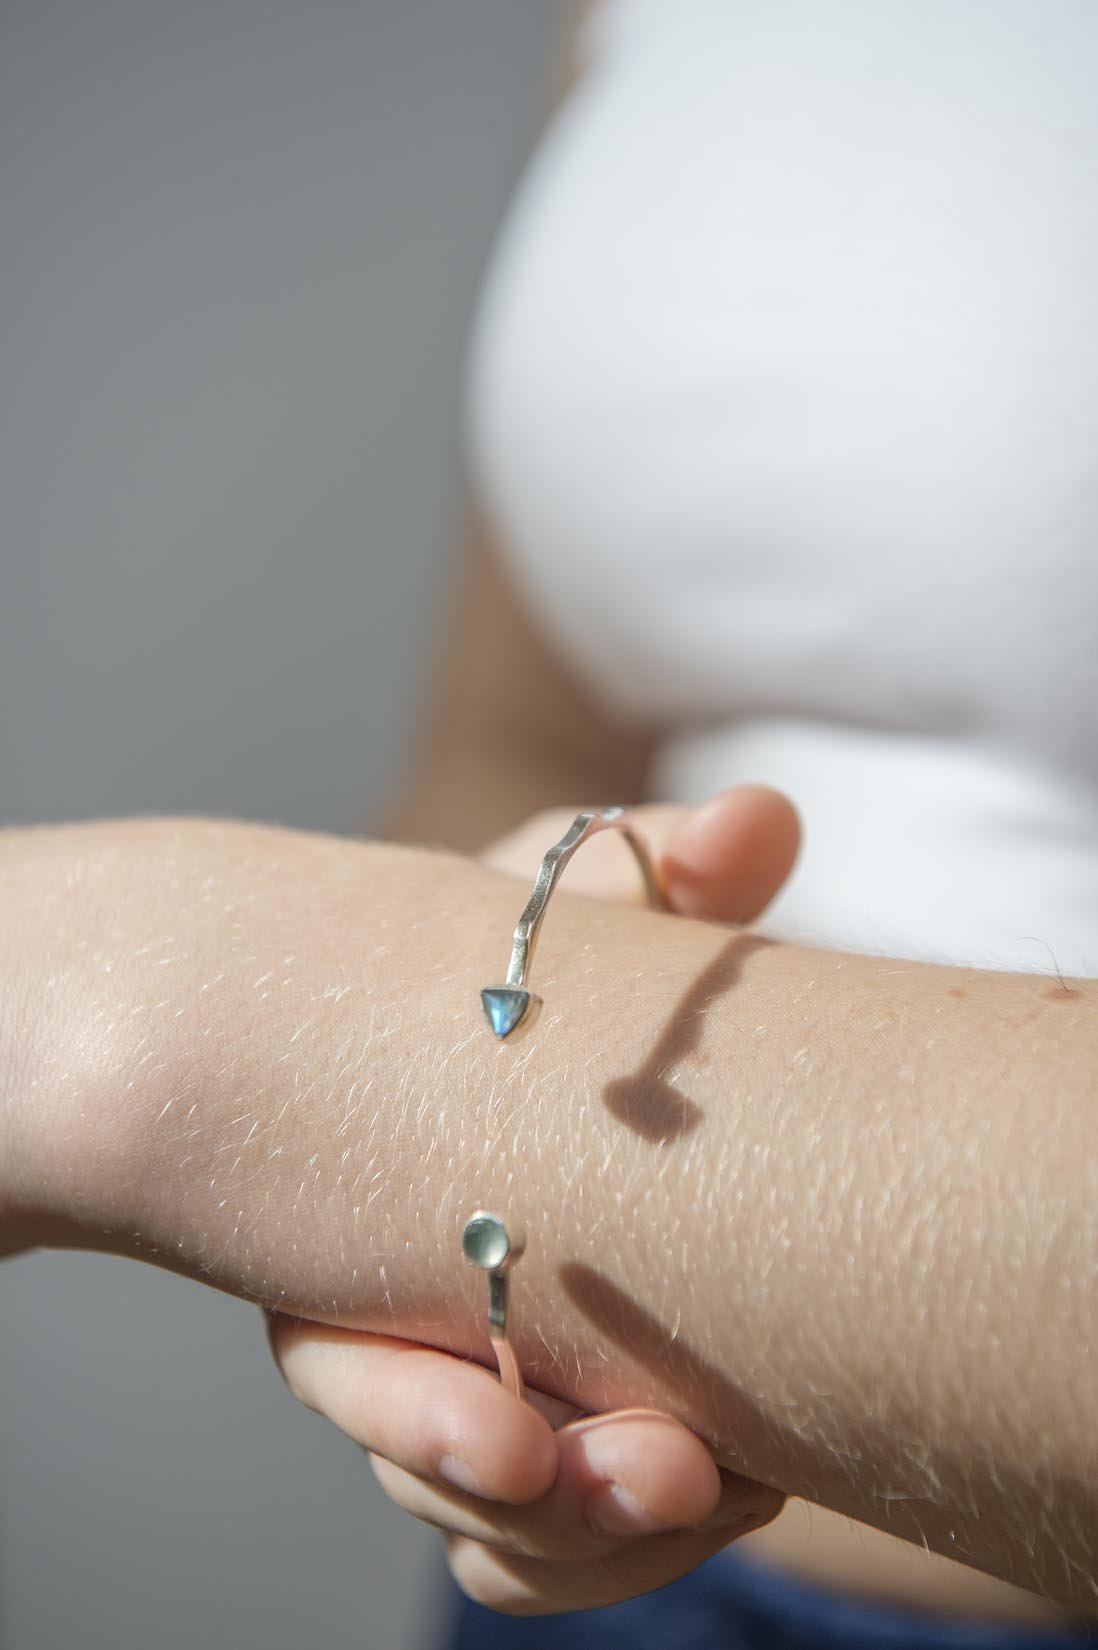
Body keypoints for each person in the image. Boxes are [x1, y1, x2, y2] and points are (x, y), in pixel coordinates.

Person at [4, 4, 1098, 1648]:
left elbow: (276, 1025)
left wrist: (172, 1018)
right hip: (617, 1587)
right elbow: (510, 758)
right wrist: (423, 1246)